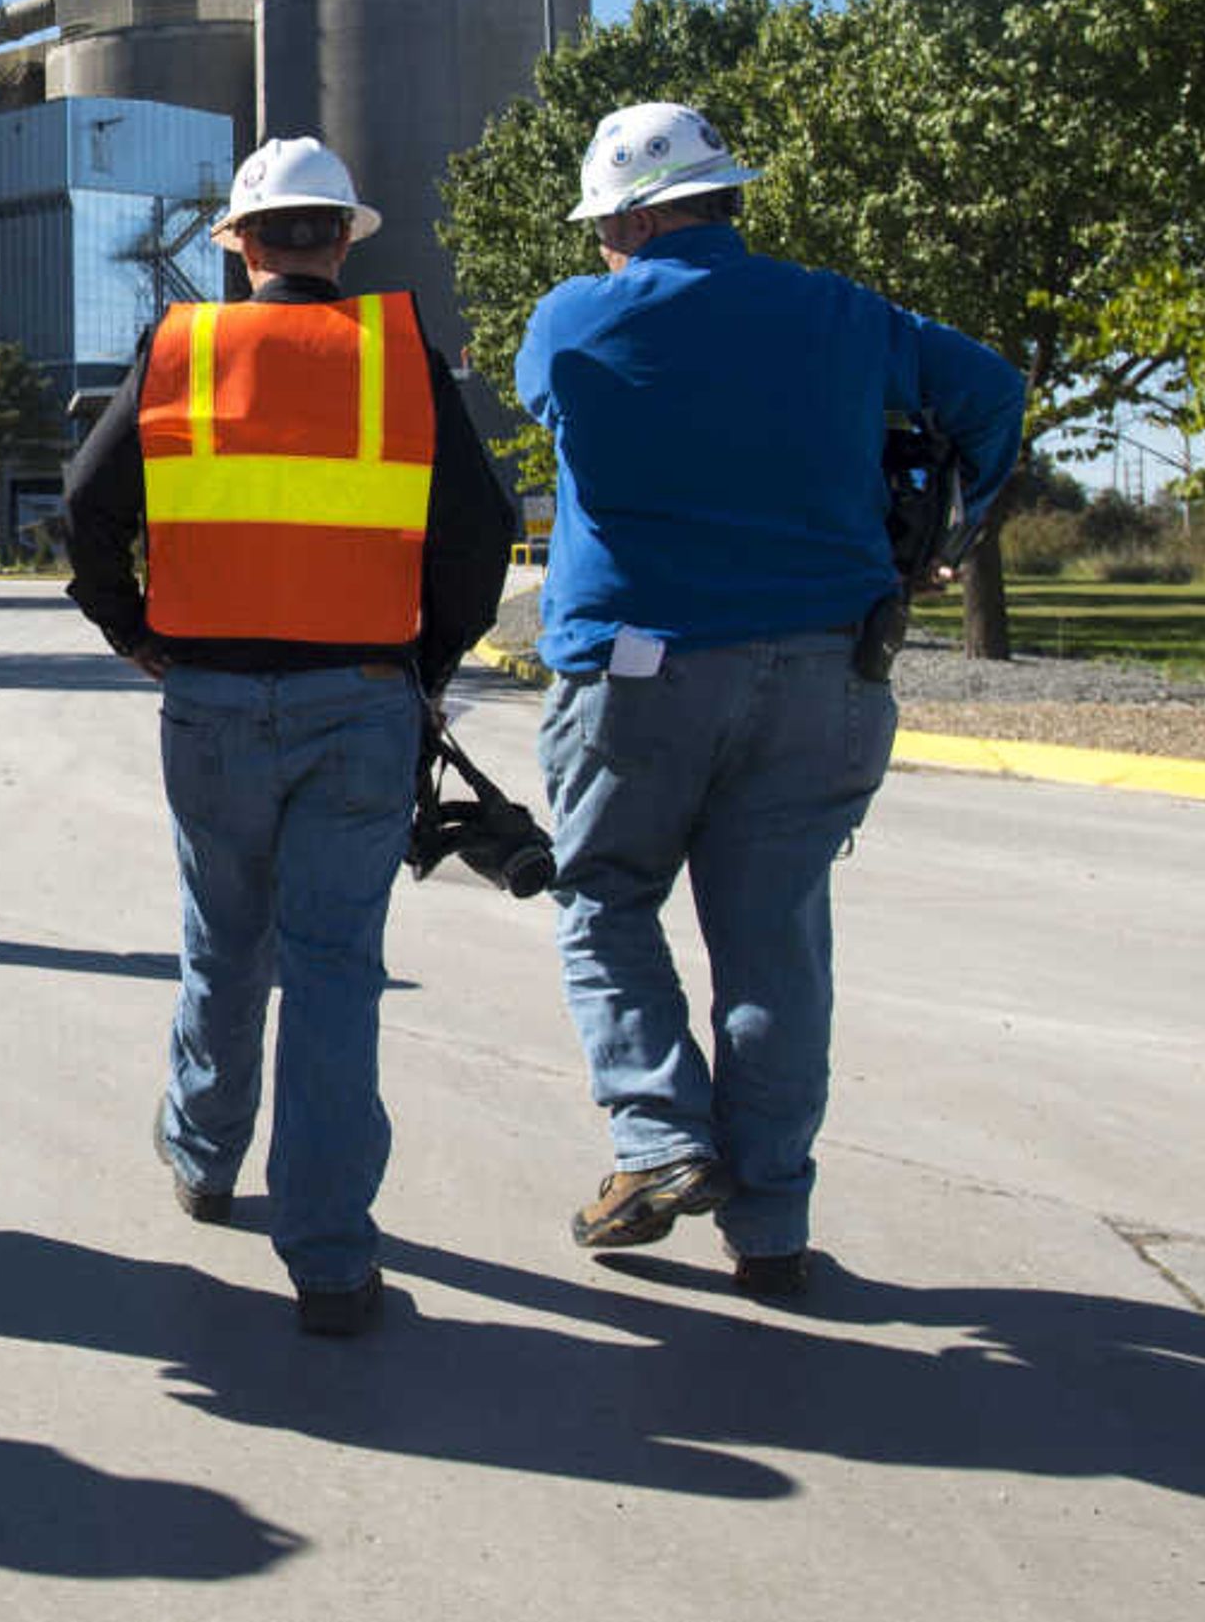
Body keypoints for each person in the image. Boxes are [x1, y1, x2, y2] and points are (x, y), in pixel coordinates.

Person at [512, 101, 1021, 1304]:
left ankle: (657, 1139)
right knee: (775, 945)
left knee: (605, 901)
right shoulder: (843, 312)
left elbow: (552, 406)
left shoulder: (573, 317)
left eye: (604, 226)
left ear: (630, 217)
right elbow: (988, 389)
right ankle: (772, 1225)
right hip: (825, 670)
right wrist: (951, 530)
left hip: (636, 670)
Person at [61, 136, 516, 1337]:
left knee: (224, 940)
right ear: (339, 240)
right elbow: (479, 534)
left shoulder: (182, 348)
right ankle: (328, 1258)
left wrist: (133, 630)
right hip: (361, 701)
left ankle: (205, 1160)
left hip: (208, 697)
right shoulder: (398, 360)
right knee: (332, 972)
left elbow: (83, 505)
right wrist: (427, 661)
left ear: (244, 243)